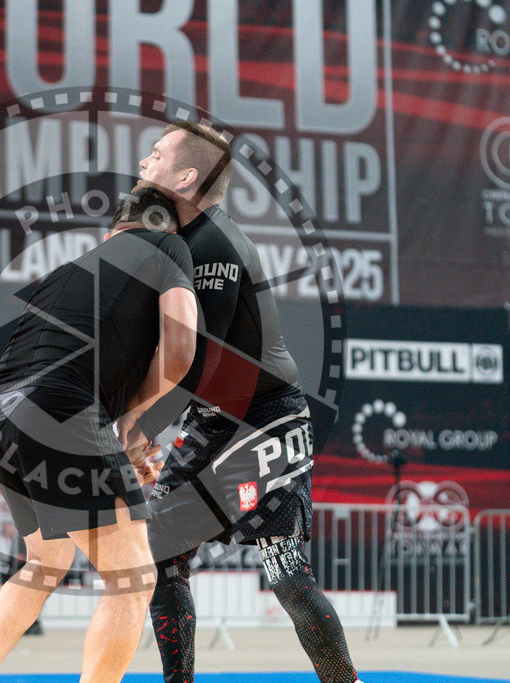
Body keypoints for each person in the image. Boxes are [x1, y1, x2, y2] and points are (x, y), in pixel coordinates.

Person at [131, 121, 363, 683]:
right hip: (212, 419)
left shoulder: (214, 242)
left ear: (186, 176)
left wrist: (135, 430)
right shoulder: (177, 241)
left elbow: (191, 360)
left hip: (267, 417)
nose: (144, 162)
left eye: (156, 154)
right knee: (161, 560)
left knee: (285, 571)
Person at [0, 188, 199, 683]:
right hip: (60, 410)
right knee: (133, 579)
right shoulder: (166, 244)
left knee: (45, 560)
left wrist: (118, 435)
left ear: (109, 232)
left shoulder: (69, 272)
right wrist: (132, 427)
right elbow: (180, 352)